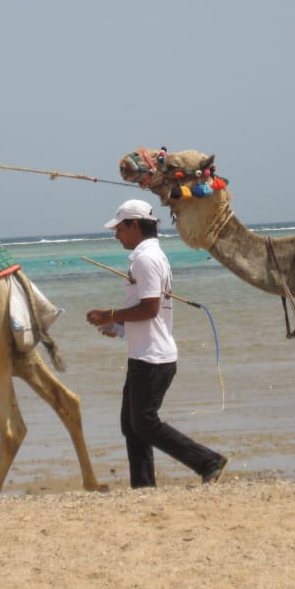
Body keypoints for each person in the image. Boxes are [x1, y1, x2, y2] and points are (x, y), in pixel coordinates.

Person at [85, 199, 229, 489]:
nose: (116, 235)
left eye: (120, 229)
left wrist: (109, 314)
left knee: (145, 424)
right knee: (132, 425)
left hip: (153, 359)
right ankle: (143, 487)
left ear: (135, 226)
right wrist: (119, 328)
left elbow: (150, 308)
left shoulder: (146, 259)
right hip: (144, 354)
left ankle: (208, 461)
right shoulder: (148, 256)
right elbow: (150, 311)